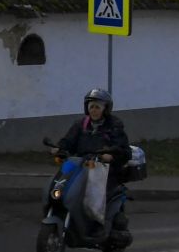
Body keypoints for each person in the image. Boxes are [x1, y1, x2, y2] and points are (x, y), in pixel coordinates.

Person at [53, 88, 130, 232]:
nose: (94, 110)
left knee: (94, 191)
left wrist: (111, 156)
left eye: (97, 107)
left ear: (105, 109)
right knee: (63, 180)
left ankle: (97, 224)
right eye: (91, 106)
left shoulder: (114, 126)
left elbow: (125, 151)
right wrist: (59, 148)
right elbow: (68, 140)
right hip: (82, 165)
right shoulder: (81, 124)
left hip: (105, 170)